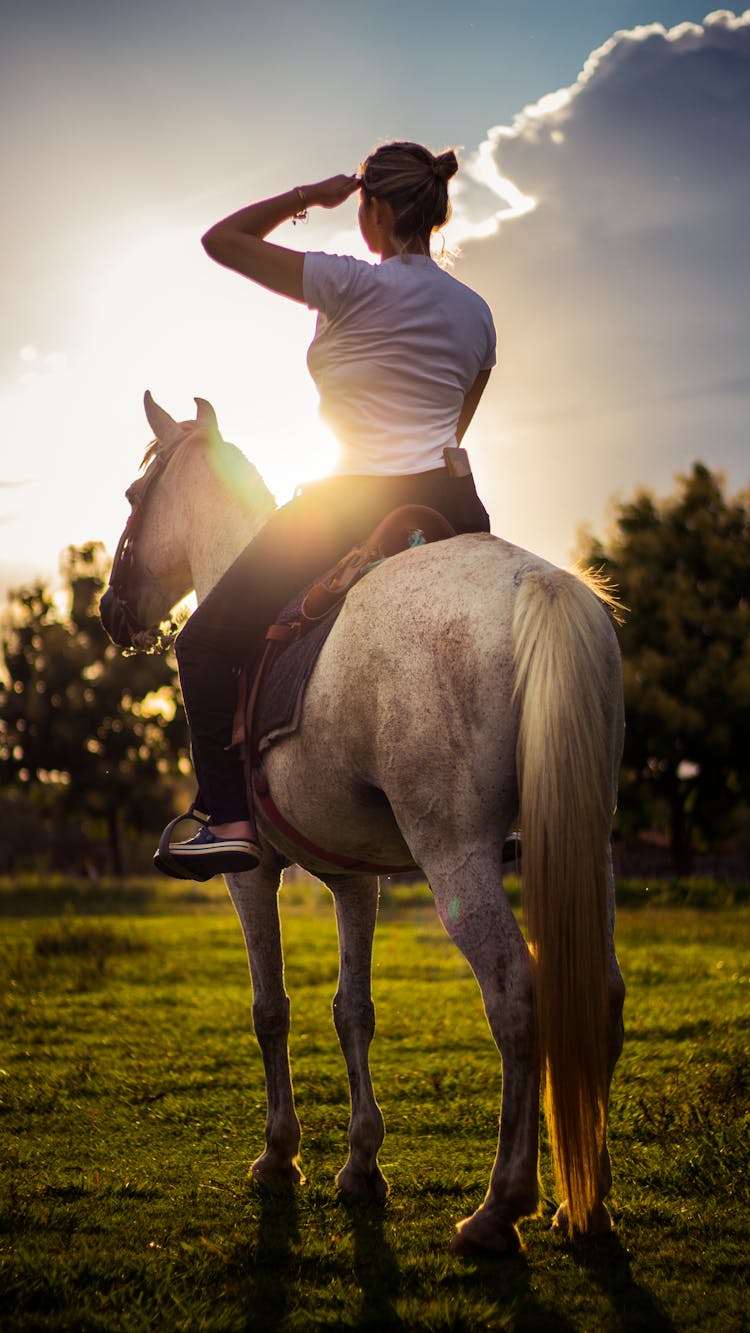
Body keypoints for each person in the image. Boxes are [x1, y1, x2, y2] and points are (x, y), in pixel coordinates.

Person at [162, 141, 496, 878]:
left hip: (348, 502)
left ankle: (229, 818)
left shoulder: (346, 283)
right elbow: (454, 429)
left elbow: (222, 241)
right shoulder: (477, 314)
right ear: (436, 209)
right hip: (452, 503)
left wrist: (306, 195)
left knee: (205, 642)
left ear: (371, 208)